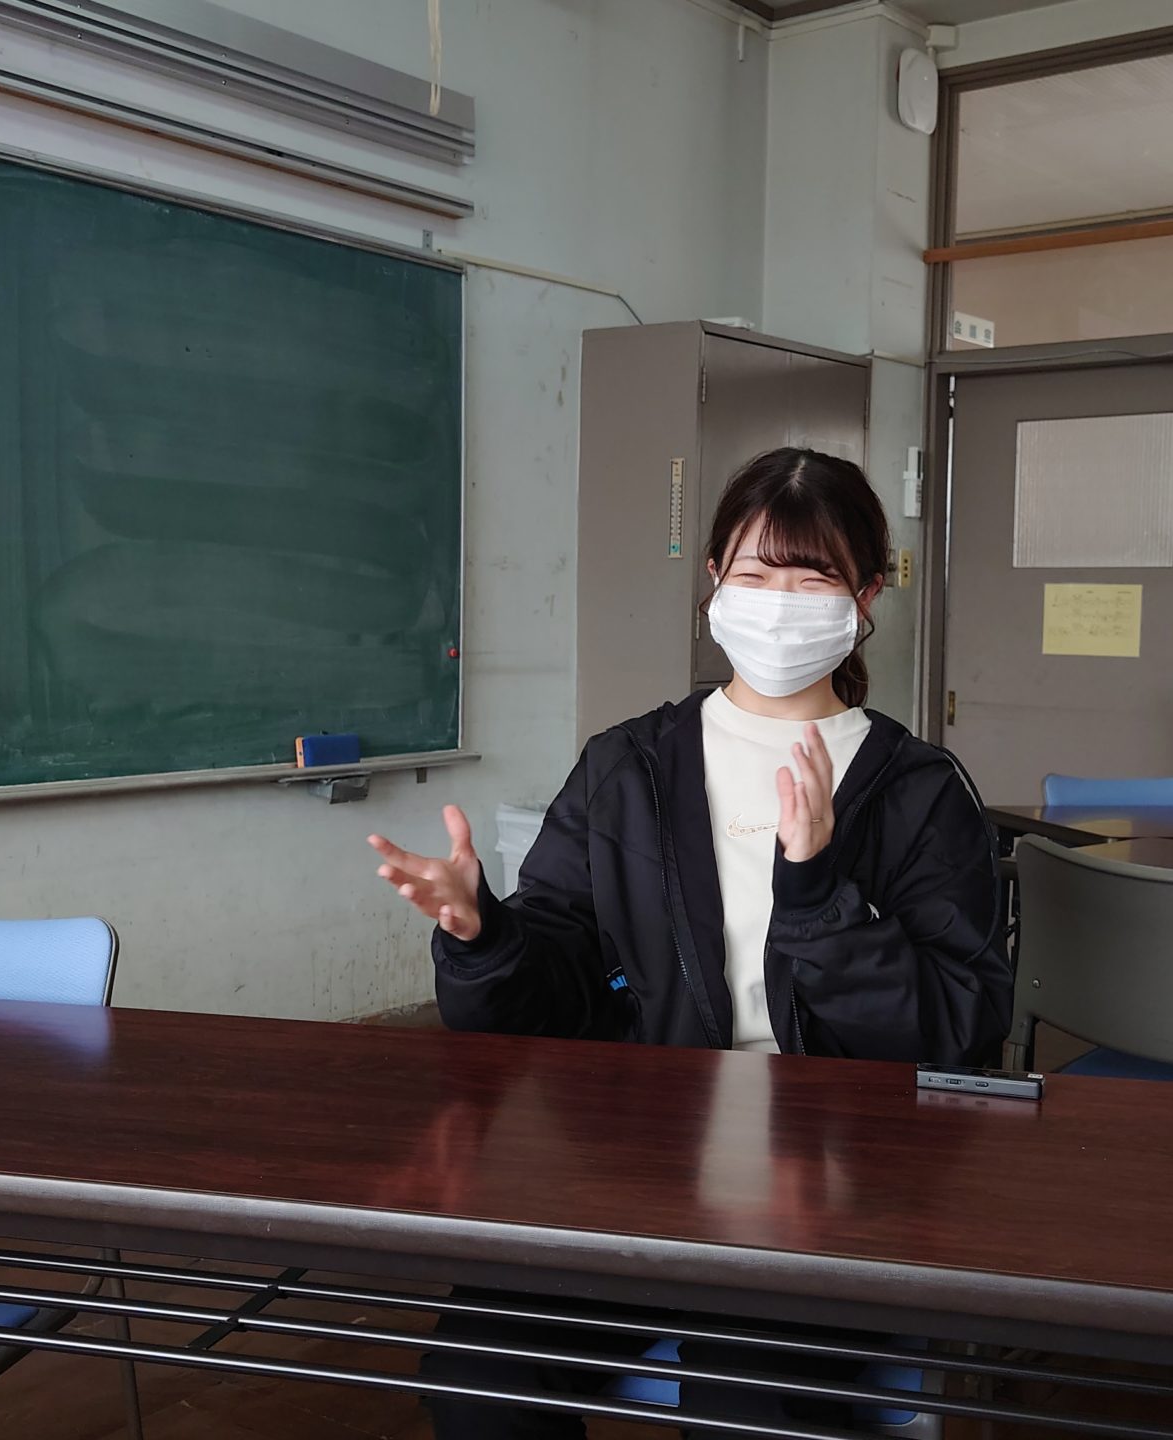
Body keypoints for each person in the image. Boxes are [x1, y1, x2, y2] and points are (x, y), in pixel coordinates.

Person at [366, 446, 1011, 1437]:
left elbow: (960, 1028)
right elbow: (550, 996)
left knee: (743, 1402)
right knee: (479, 1376)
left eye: (813, 579)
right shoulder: (628, 766)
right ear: (714, 581)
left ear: (866, 597)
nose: (779, 605)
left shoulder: (920, 790)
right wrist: (484, 934)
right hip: (634, 1167)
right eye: (755, 575)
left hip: (833, 1183)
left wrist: (817, 895)